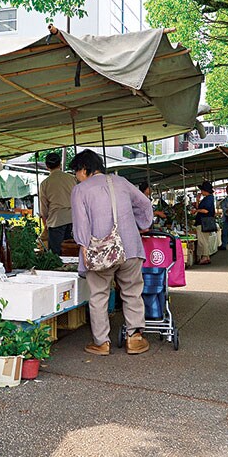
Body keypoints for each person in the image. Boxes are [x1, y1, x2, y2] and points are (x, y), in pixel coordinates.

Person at [70, 150, 153, 357]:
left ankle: (101, 343)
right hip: (130, 247)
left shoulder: (80, 190)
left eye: (76, 172)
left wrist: (84, 249)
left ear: (84, 169)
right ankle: (134, 339)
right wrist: (142, 224)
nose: (76, 176)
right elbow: (144, 204)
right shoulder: (122, 182)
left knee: (99, 296)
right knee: (132, 292)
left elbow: (81, 226)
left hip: (100, 251)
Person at [39, 152, 76, 254]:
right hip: (73, 219)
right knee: (71, 251)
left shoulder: (45, 183)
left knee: (56, 255)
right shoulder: (72, 178)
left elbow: (44, 209)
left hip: (56, 221)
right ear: (60, 164)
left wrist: (45, 224)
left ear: (47, 166)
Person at [190, 181, 216, 265]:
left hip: (203, 222)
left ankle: (204, 257)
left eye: (202, 190)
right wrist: (197, 201)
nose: (201, 192)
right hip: (204, 222)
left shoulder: (208, 199)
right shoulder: (208, 198)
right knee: (205, 240)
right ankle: (207, 257)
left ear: (205, 190)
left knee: (202, 241)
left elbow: (206, 210)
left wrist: (196, 210)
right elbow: (201, 208)